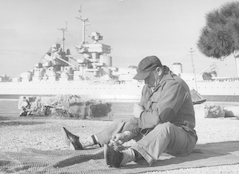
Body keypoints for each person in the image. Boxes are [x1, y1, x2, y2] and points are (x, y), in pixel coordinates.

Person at [62, 55, 198, 167]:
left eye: (147, 77)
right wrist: (126, 134)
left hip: (182, 139)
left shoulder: (175, 85)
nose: (144, 82)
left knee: (165, 127)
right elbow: (139, 120)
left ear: (158, 71)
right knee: (123, 123)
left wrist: (140, 114)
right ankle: (85, 142)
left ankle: (125, 156)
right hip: (156, 135)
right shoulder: (149, 87)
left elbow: (158, 119)